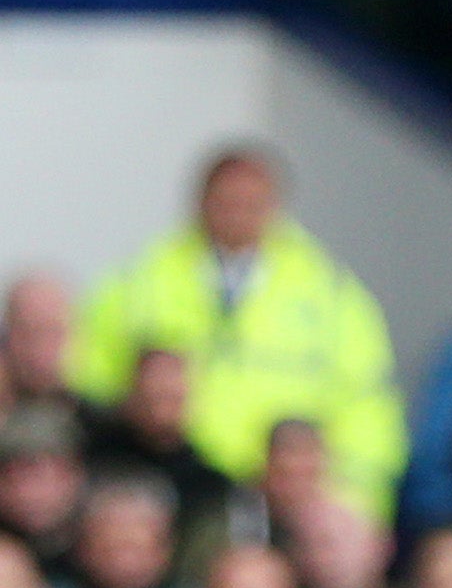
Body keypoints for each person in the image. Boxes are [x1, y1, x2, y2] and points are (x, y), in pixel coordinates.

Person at [65, 149, 406, 519]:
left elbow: (369, 409)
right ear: (200, 203)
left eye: (251, 203)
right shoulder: (141, 281)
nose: (238, 214)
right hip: (173, 485)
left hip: (291, 497)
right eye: (226, 202)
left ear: (275, 207)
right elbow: (89, 381)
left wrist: (352, 500)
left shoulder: (330, 294)